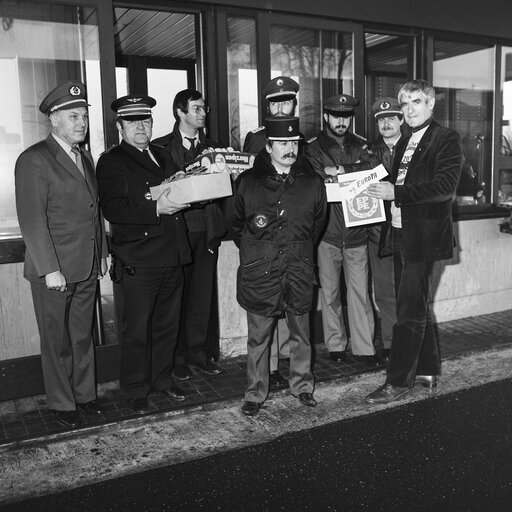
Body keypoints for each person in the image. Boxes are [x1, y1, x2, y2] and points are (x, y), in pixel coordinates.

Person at [14, 81, 108, 428]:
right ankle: (61, 403)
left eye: (83, 116)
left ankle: (84, 395)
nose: (81, 122)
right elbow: (32, 219)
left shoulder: (85, 157)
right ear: (54, 119)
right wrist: (49, 269)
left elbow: (92, 210)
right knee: (56, 340)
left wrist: (103, 252)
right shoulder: (34, 160)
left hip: (85, 264)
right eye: (73, 116)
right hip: (53, 270)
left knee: (82, 336)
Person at [365, 79, 463, 404]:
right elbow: (400, 183)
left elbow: (444, 187)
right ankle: (427, 371)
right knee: (416, 305)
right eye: (404, 104)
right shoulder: (408, 139)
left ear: (431, 104)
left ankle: (397, 382)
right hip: (400, 232)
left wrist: (397, 192)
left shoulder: (445, 138)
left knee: (408, 310)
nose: (409, 110)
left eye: (416, 102)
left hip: (423, 238)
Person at [96, 95, 191, 414]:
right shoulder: (112, 160)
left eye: (146, 120)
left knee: (167, 325)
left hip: (171, 254)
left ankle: (162, 380)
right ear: (120, 126)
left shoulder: (164, 155)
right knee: (136, 329)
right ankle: (135, 387)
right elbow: (112, 207)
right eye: (133, 121)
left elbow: (179, 191)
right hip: (139, 258)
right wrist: (156, 208)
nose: (141, 126)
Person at [232, 116, 327, 416]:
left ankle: (302, 385)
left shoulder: (312, 183)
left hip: (298, 267)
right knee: (259, 336)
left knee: (301, 331)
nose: (289, 148)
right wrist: (258, 252)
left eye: (294, 143)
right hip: (262, 271)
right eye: (282, 143)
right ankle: (255, 392)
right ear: (269, 146)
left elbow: (318, 224)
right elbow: (235, 224)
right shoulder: (248, 183)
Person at [153, 89, 227, 380]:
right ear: (179, 112)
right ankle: (177, 358)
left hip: (206, 230)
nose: (202, 114)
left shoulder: (215, 148)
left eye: (204, 109)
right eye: (196, 109)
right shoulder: (160, 148)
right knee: (176, 299)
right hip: (177, 232)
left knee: (201, 297)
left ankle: (199, 354)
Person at [306, 94, 380, 364]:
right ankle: (335, 345)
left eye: (346, 116)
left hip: (357, 234)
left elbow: (373, 169)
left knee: (360, 294)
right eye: (336, 115)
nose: (341, 121)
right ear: (326, 116)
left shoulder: (361, 145)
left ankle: (364, 348)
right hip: (327, 233)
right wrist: (352, 175)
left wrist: (340, 169)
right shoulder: (312, 147)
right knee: (330, 294)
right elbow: (315, 181)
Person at [242, 76, 301, 388]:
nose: (281, 106)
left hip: (291, 234)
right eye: (275, 102)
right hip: (264, 235)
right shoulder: (255, 140)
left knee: (289, 299)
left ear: (294, 103)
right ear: (267, 107)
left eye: (286, 101)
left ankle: (285, 360)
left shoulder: (301, 139)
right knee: (266, 303)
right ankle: (270, 369)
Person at [367, 97, 405, 358]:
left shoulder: (417, 149)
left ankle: (412, 342)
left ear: (402, 120)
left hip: (409, 230)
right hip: (378, 232)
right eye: (381, 119)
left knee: (411, 290)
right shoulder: (366, 152)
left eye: (392, 117)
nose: (387, 123)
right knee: (383, 291)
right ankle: (392, 345)